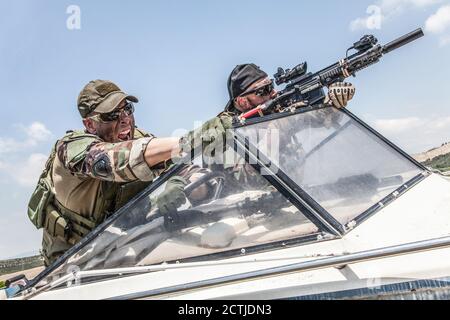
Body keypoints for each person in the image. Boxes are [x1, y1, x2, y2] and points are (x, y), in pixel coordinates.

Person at [27, 80, 231, 265]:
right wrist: (186, 143)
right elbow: (113, 161)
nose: (125, 119)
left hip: (129, 244)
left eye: (127, 109)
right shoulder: (71, 149)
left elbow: (188, 171)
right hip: (74, 261)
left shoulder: (140, 139)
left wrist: (184, 183)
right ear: (90, 124)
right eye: (112, 115)